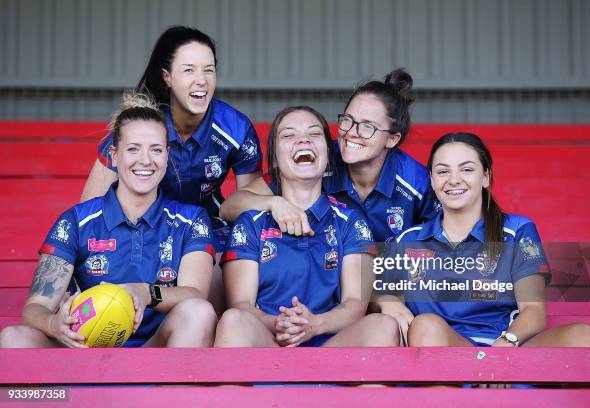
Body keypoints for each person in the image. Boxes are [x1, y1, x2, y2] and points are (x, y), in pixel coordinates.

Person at [0, 93, 217, 348]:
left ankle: (168, 389)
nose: (145, 160)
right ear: (114, 156)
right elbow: (36, 307)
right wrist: (53, 324)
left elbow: (195, 294)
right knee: (14, 338)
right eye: (133, 149)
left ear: (167, 156)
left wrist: (146, 293)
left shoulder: (191, 220)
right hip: (83, 347)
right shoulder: (76, 221)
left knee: (197, 312)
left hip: (154, 349)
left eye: (156, 150)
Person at [81, 26, 263, 313]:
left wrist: (274, 206)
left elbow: (250, 206)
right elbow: (90, 207)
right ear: (167, 77)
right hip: (141, 228)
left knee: (214, 290)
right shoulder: (140, 124)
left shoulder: (235, 128)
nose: (201, 81)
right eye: (189, 70)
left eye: (209, 70)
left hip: (208, 231)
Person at [375, 132, 590, 352]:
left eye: (467, 169)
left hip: (507, 348)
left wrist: (505, 345)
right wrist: (386, 299)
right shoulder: (409, 240)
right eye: (443, 171)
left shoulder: (517, 230)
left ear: (485, 177)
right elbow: (369, 295)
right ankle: (453, 387)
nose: (454, 180)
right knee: (426, 325)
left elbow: (533, 310)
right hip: (445, 352)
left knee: (584, 335)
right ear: (432, 181)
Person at [213, 106, 399, 347]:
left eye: (314, 134)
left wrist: (313, 325)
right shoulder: (250, 222)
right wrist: (279, 324)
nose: (303, 139)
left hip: (330, 348)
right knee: (232, 320)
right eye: (289, 135)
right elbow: (241, 304)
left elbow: (355, 304)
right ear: (276, 159)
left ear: (328, 154)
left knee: (383, 325)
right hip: (269, 344)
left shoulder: (351, 220)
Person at [219, 69, 436, 243]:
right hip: (328, 280)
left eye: (367, 126)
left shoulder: (416, 182)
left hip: (392, 282)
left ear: (392, 139)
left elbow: (449, 250)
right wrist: (273, 203)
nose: (351, 132)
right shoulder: (319, 158)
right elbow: (230, 207)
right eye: (348, 120)